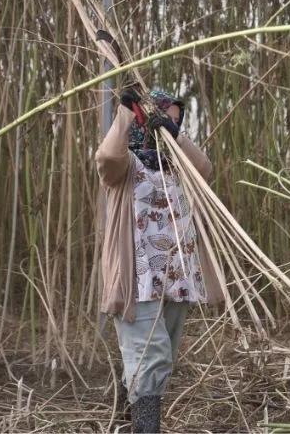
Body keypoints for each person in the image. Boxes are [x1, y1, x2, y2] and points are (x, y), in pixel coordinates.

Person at [95, 89, 225, 432]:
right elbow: (107, 156)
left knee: (152, 358)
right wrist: (125, 113)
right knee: (152, 360)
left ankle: (125, 419)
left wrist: (175, 134)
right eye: (160, 119)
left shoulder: (180, 169)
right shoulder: (125, 166)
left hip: (179, 278)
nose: (166, 126)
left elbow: (204, 167)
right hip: (137, 280)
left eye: (173, 120)